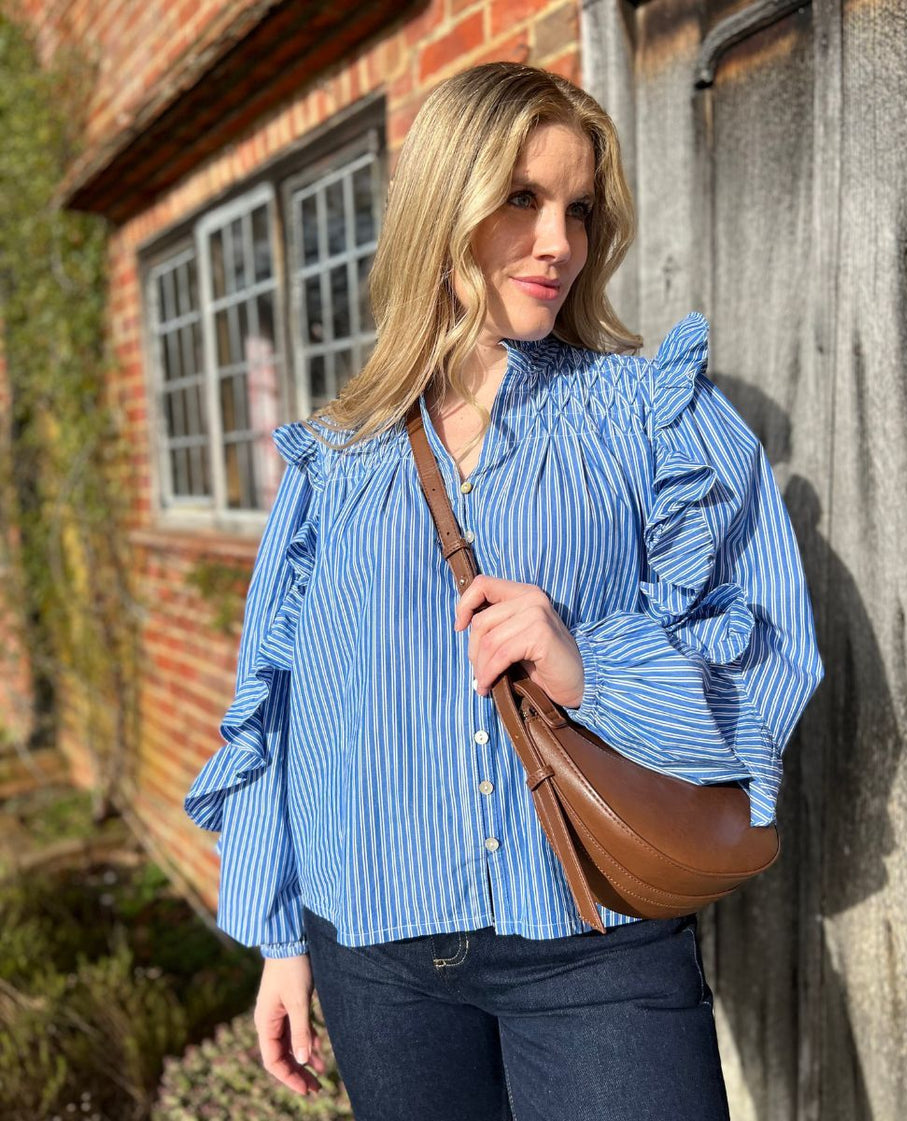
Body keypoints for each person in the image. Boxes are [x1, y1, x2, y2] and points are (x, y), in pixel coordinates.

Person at [183, 61, 824, 1121]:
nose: (559, 241)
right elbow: (281, 704)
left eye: (578, 208)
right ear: (446, 202)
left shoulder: (648, 419)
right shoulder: (338, 460)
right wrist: (281, 937)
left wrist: (592, 667)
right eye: (522, 198)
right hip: (378, 962)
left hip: (595, 951)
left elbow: (764, 661)